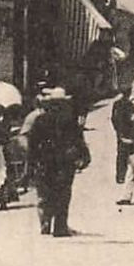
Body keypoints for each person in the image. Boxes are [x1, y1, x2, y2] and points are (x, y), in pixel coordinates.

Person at [26, 86, 88, 237]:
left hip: (46, 161)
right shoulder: (70, 119)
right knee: (63, 193)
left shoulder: (41, 120)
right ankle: (60, 226)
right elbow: (78, 140)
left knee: (48, 192)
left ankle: (46, 223)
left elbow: (33, 143)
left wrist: (32, 163)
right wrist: (84, 157)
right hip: (65, 161)